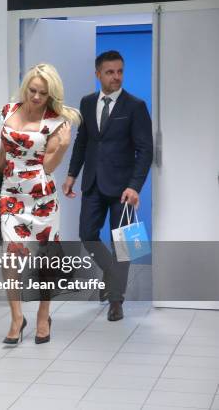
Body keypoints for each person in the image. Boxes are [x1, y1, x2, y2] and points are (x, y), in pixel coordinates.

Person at [0, 63, 80, 345]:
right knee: (10, 257)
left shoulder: (56, 122)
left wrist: (64, 147)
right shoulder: (9, 111)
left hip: (41, 196)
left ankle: (44, 314)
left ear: (51, 94)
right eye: (33, 90)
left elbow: (48, 166)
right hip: (10, 195)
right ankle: (17, 317)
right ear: (26, 87)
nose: (37, 97)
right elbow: (3, 151)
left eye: (43, 93)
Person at [62, 50, 153, 321]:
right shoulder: (87, 103)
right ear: (98, 74)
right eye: (110, 72)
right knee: (87, 234)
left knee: (123, 244)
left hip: (124, 188)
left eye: (120, 71)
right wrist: (71, 175)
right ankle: (113, 277)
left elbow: (145, 150)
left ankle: (116, 300)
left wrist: (135, 186)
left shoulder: (135, 106)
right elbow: (82, 142)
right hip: (92, 183)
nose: (116, 77)